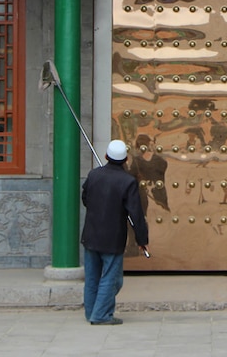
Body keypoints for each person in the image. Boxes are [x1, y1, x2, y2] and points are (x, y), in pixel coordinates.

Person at [80, 139, 149, 325]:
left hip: (91, 234)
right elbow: (136, 214)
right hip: (113, 238)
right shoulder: (128, 181)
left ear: (105, 157)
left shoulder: (94, 175)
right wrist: (142, 239)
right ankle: (101, 315)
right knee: (111, 278)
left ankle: (92, 312)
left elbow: (85, 198)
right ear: (126, 159)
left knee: (93, 277)